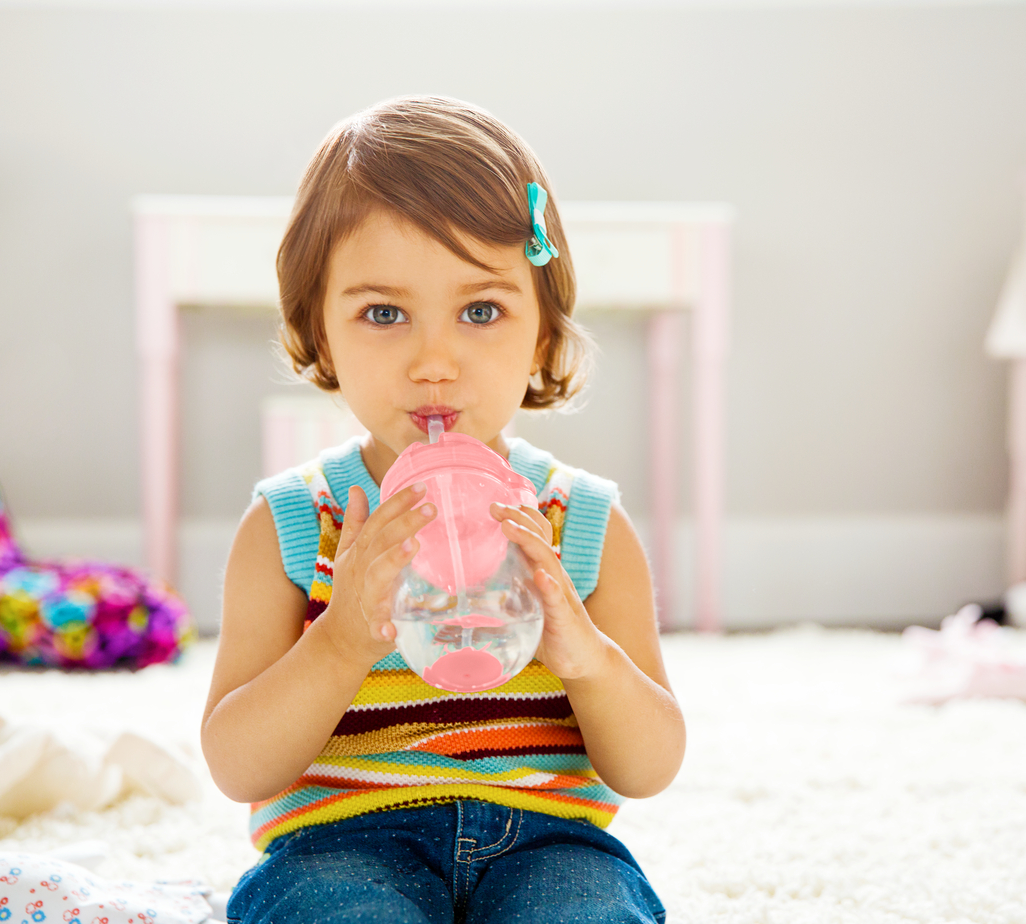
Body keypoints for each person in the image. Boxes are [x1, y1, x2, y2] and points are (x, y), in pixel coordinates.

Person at [201, 95, 685, 924]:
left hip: (551, 845)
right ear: (319, 332)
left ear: (541, 335)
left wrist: (587, 656)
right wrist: (344, 636)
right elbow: (239, 765)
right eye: (383, 314)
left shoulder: (580, 523)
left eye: (481, 311)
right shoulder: (294, 524)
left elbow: (649, 764)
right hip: (343, 843)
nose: (434, 362)